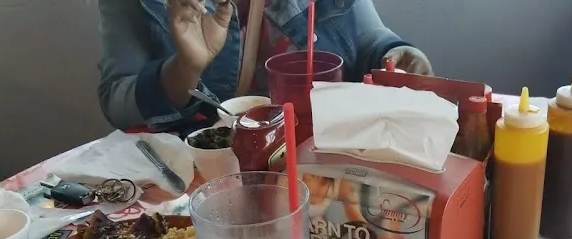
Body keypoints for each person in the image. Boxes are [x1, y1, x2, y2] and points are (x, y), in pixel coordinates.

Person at [97, 0, 432, 131]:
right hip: (205, 178)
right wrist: (185, 68)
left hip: (322, 158)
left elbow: (367, 36)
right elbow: (117, 101)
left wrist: (397, 52)